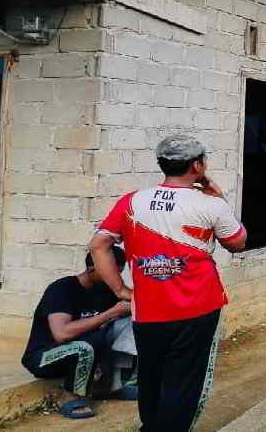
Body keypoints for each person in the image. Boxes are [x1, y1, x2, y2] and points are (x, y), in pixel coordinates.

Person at [89, 134, 247, 432]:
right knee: (183, 382)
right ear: (198, 166)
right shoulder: (210, 205)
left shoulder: (132, 201)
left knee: (151, 376)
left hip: (148, 309)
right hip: (198, 307)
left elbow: (98, 245)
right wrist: (220, 199)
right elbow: (237, 243)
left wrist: (121, 291)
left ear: (163, 164)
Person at [21, 247, 137, 420]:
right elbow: (61, 333)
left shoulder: (107, 290)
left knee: (133, 323)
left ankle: (110, 385)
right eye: (111, 274)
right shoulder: (61, 289)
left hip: (86, 348)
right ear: (92, 269)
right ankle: (70, 396)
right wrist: (109, 313)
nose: (115, 280)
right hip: (44, 357)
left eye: (118, 274)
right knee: (89, 342)